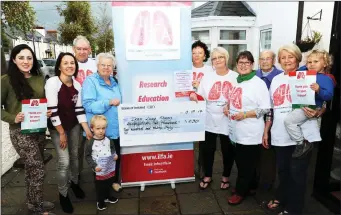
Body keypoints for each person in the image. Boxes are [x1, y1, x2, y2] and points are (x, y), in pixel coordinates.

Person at [262, 44, 323, 215]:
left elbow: (322, 101)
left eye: (290, 56)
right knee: (283, 170)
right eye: (283, 57)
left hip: (301, 135)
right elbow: (271, 108)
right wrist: (266, 130)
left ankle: (293, 209)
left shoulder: (307, 76)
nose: (287, 60)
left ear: (297, 58)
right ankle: (282, 196)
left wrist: (320, 110)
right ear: (279, 61)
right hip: (280, 133)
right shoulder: (276, 80)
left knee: (298, 174)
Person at [1, 44, 55, 215]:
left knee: (32, 169)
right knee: (38, 168)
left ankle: (33, 202)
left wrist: (46, 110)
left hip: (38, 130)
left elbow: (43, 101)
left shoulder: (39, 78)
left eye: (29, 58)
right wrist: (12, 117)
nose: (26, 61)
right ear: (14, 59)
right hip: (20, 132)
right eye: (21, 58)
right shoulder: (6, 80)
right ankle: (37, 209)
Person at [45, 52, 92, 213]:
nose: (69, 65)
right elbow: (53, 110)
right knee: (63, 162)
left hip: (73, 126)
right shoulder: (52, 83)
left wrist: (87, 129)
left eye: (72, 63)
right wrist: (62, 133)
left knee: (75, 156)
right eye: (65, 63)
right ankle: (63, 194)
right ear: (59, 66)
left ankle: (74, 183)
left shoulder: (78, 85)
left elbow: (79, 111)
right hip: (58, 127)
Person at [189, 47, 237, 190]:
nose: (217, 60)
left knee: (227, 150)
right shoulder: (208, 77)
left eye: (220, 57)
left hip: (227, 119)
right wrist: (194, 96)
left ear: (226, 58)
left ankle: (226, 176)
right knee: (207, 150)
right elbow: (202, 95)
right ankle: (208, 175)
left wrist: (230, 105)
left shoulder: (235, 76)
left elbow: (239, 96)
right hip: (209, 118)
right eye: (214, 58)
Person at [227, 51, 271, 205]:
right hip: (237, 131)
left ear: (252, 65)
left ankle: (240, 192)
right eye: (240, 63)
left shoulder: (258, 83)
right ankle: (250, 186)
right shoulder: (237, 81)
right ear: (237, 65)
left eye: (247, 63)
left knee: (245, 163)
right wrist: (228, 107)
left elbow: (265, 108)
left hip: (251, 132)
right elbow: (234, 99)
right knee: (243, 161)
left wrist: (245, 114)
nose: (243, 65)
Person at [82, 53, 123, 193]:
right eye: (103, 65)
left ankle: (114, 182)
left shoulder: (114, 81)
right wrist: (108, 102)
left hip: (115, 129)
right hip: (100, 131)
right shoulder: (90, 81)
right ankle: (102, 191)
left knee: (115, 156)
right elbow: (88, 105)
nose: (106, 67)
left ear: (113, 67)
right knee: (101, 161)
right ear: (97, 66)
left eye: (109, 65)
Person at [284, 49, 334, 158]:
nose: (311, 64)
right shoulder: (306, 74)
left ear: (325, 64)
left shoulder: (327, 79)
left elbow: (329, 96)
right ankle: (305, 142)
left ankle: (301, 143)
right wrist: (306, 67)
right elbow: (297, 72)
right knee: (299, 125)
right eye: (309, 62)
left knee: (289, 121)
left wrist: (319, 90)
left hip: (313, 107)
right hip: (303, 105)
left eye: (316, 62)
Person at [256, 50, 283, 190]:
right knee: (256, 150)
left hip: (274, 118)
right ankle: (255, 178)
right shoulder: (253, 75)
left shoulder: (280, 76)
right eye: (262, 59)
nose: (264, 61)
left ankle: (267, 182)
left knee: (268, 151)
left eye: (268, 59)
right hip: (255, 117)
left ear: (273, 61)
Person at [72, 35, 97, 178]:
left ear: (90, 50)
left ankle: (100, 175)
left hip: (92, 113)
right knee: (76, 150)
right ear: (74, 49)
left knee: (97, 145)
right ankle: (76, 178)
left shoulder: (95, 65)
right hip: (74, 113)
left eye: (85, 48)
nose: (82, 51)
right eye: (79, 48)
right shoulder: (69, 63)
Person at [85, 115, 119, 211]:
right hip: (98, 169)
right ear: (92, 128)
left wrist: (114, 154)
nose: (101, 131)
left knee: (109, 182)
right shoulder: (90, 143)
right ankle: (100, 201)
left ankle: (108, 197)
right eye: (98, 128)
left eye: (103, 128)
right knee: (100, 186)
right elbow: (87, 156)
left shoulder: (109, 140)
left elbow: (112, 148)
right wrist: (94, 166)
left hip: (109, 167)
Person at [191, 40, 213, 177]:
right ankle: (187, 167)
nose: (197, 55)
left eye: (200, 53)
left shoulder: (210, 70)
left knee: (203, 141)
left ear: (205, 55)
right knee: (189, 139)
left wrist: (200, 85)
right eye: (194, 53)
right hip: (187, 107)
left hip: (204, 108)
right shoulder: (185, 67)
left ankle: (202, 168)